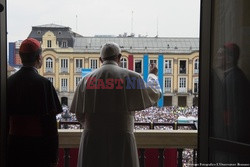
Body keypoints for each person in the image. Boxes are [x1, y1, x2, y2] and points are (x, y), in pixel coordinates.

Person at [70, 42, 161, 167]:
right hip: (122, 139)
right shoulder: (131, 78)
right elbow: (154, 93)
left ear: (100, 59)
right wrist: (152, 75)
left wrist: (95, 126)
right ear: (119, 57)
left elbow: (79, 114)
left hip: (92, 140)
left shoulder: (85, 81)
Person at [7, 38, 62, 167]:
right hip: (38, 147)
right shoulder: (44, 84)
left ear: (21, 58)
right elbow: (50, 126)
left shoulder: (9, 82)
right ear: (39, 58)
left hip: (14, 145)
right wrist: (53, 157)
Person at [211, 43, 250, 163]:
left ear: (229, 58)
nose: (217, 58)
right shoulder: (234, 76)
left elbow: (229, 112)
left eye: (220, 55)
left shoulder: (232, 79)